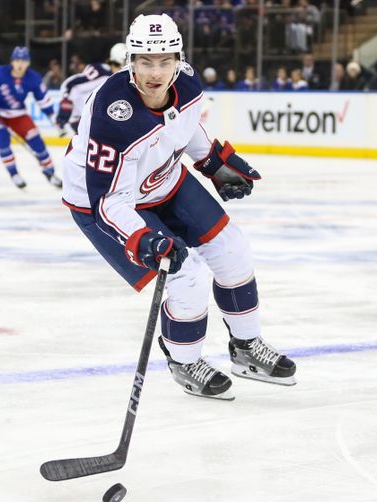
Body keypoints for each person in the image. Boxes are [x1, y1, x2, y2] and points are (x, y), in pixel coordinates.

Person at [60, 14, 297, 400]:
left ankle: (246, 348)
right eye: (146, 62)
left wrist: (214, 164)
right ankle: (185, 361)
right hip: (102, 201)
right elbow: (110, 201)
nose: (156, 72)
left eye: (165, 60)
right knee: (187, 275)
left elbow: (184, 131)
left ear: (178, 60)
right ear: (130, 61)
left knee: (232, 248)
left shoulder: (186, 83)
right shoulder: (112, 115)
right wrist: (143, 238)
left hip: (161, 179)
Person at [0, 47, 62, 189]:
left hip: (18, 114)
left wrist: (52, 117)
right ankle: (14, 173)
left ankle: (50, 173)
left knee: (37, 143)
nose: (20, 64)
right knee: (3, 141)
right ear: (12, 61)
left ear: (28, 63)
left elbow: (43, 100)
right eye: (17, 60)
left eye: (24, 61)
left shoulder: (33, 78)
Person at [56, 43, 127, 135]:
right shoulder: (102, 72)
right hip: (83, 119)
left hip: (96, 119)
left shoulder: (119, 77)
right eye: (126, 60)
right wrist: (63, 116)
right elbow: (70, 85)